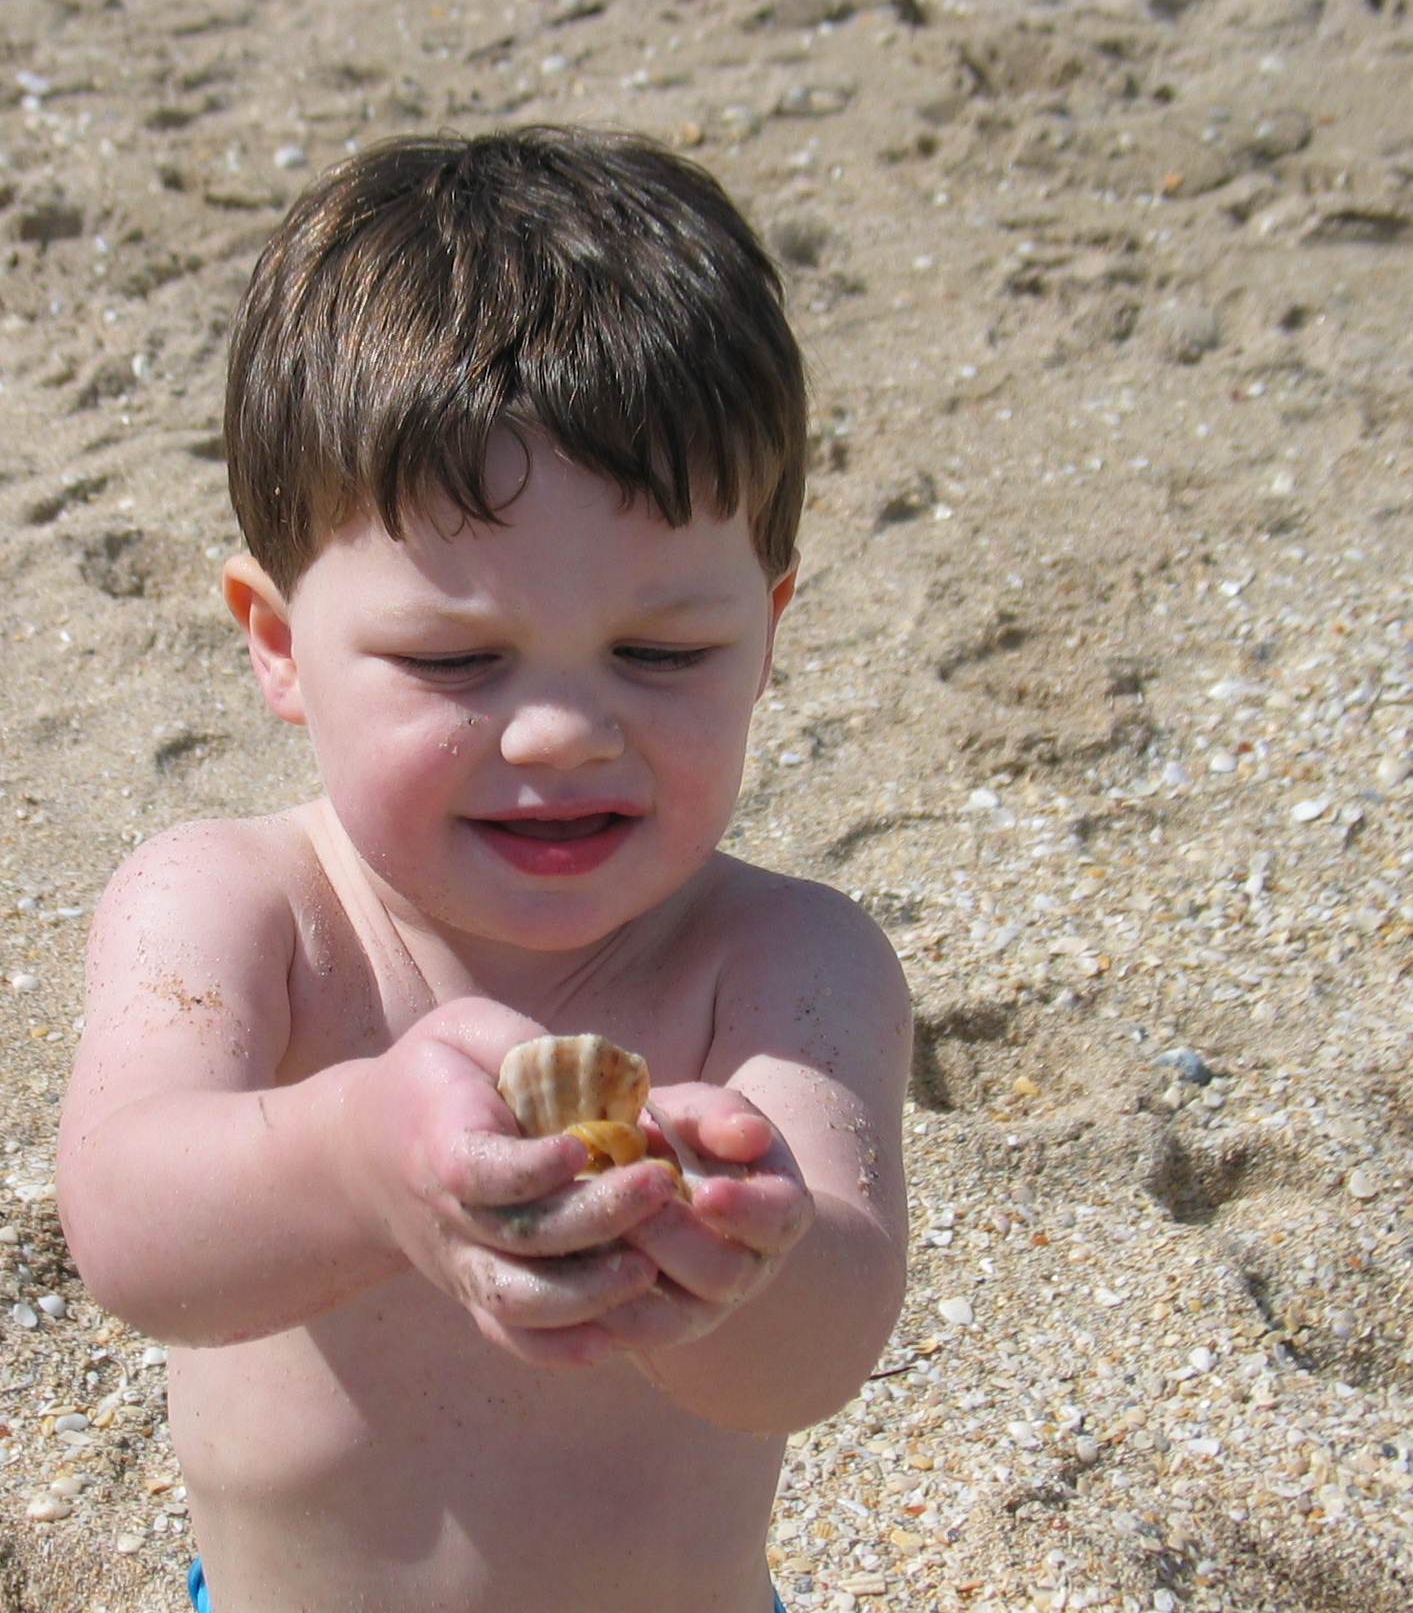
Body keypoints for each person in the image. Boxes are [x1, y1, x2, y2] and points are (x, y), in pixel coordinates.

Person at [57, 126, 910, 1613]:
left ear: (768, 631)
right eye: (455, 662)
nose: (565, 731)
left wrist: (729, 1258)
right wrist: (359, 1163)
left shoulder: (787, 961)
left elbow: (819, 1361)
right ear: (280, 645)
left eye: (664, 652)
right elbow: (130, 1230)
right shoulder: (238, 907)